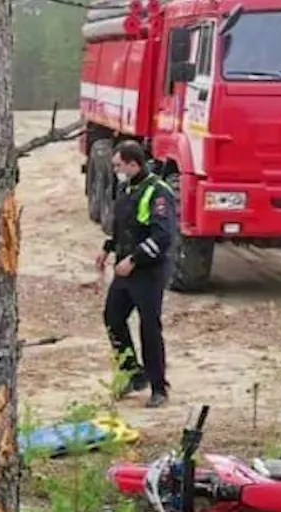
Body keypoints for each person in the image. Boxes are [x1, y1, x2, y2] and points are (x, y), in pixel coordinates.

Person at [97, 141, 176, 408]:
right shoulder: (126, 188)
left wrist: (134, 259)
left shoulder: (158, 192)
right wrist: (108, 249)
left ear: (134, 164)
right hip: (125, 267)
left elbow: (163, 236)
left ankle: (159, 387)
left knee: (149, 327)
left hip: (148, 270)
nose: (116, 170)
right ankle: (133, 373)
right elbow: (123, 227)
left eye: (119, 165)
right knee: (113, 317)